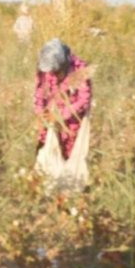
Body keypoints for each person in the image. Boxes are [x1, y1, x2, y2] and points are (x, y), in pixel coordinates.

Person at [33, 38, 93, 192]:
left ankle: (70, 190)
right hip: (51, 119)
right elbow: (39, 92)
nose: (52, 74)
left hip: (73, 120)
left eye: (55, 70)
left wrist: (61, 116)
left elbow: (83, 101)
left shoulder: (80, 70)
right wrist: (40, 112)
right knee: (47, 148)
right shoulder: (43, 69)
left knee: (71, 153)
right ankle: (48, 187)